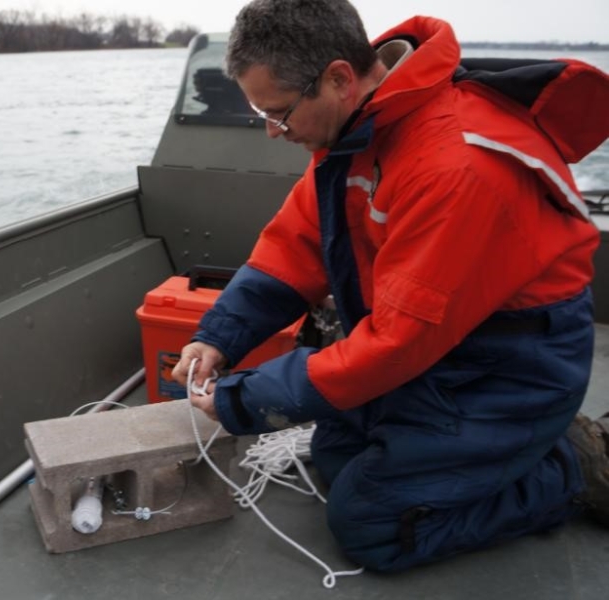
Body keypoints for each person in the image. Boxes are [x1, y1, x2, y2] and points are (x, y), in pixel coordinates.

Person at [171, 0, 609, 572]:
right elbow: (296, 245)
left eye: (278, 114)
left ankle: (568, 468)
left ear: (338, 78)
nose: (273, 132)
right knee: (333, 454)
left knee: (370, 524)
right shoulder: (355, 131)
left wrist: (240, 399)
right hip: (437, 347)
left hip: (511, 366)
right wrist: (219, 337)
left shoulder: (456, 167)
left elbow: (399, 342)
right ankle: (512, 451)